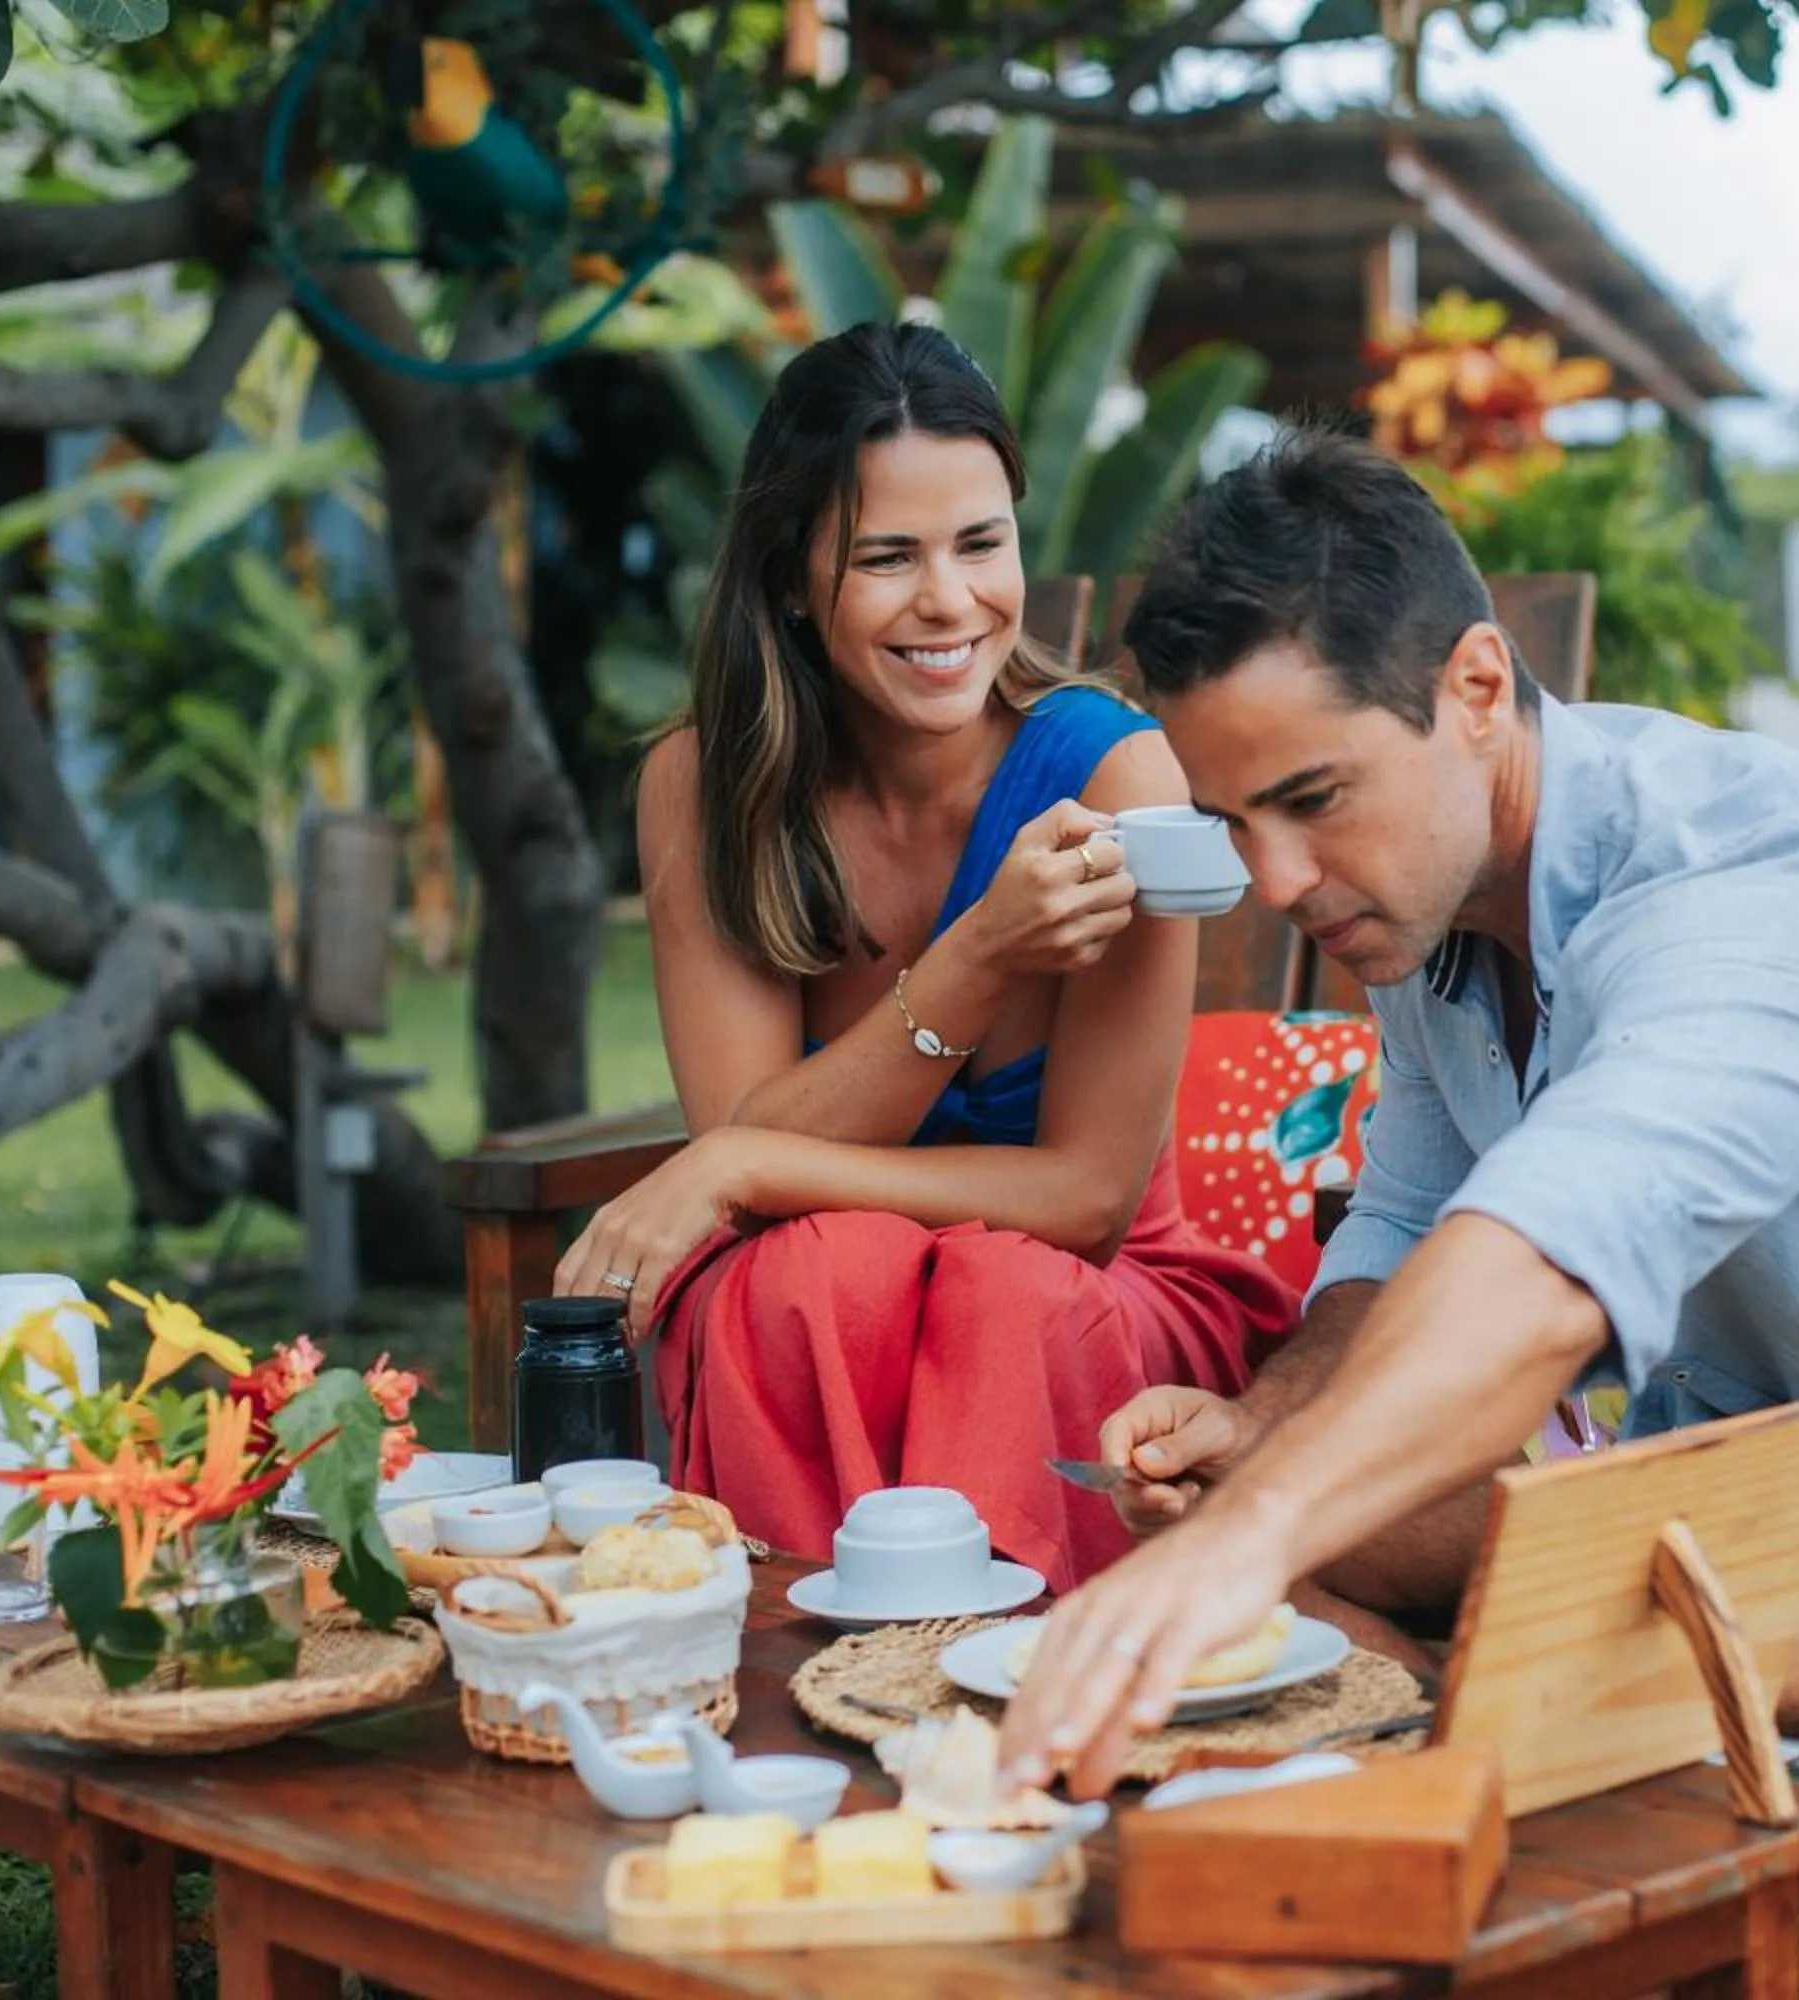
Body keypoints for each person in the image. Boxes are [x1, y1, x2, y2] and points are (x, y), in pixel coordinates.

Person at [996, 425, 1799, 1796]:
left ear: (1473, 685)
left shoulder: (1748, 881)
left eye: (1312, 800)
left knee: (1560, 1639)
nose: (1277, 879)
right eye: (1234, 823)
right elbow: (1404, 1217)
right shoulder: (1425, 900)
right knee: (1246, 1512)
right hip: (1714, 1442)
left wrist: (1258, 1538)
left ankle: (1438, 1756)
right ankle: (1427, 1757)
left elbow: (1563, 1237)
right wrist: (1266, 1429)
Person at [549, 323, 1298, 1593]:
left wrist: (739, 1156)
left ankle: (1006, 1696)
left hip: (1085, 1298)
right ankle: (788, 1679)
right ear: (793, 577)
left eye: (981, 543)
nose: (950, 602)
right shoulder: (704, 785)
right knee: (810, 1273)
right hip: (820, 1307)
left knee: (994, 1292)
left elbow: (1088, 1204)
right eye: (887, 557)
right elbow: (755, 1189)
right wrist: (977, 960)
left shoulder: (1114, 781)